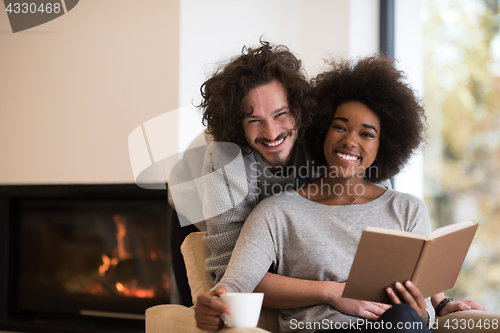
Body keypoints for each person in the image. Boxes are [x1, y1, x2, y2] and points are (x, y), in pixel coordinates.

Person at [194, 56, 485, 333]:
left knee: (404, 318)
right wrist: (216, 301)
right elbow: (234, 280)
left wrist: (433, 306)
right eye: (340, 127)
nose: (350, 141)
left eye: (367, 134)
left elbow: (422, 308)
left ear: (384, 144)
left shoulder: (407, 209)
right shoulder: (272, 209)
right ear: (321, 131)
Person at [168, 40, 318, 305]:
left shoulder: (320, 142)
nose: (272, 133)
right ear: (238, 125)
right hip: (191, 201)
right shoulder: (225, 155)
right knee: (195, 304)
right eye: (254, 120)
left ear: (298, 108)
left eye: (280, 114)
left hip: (262, 205)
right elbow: (229, 270)